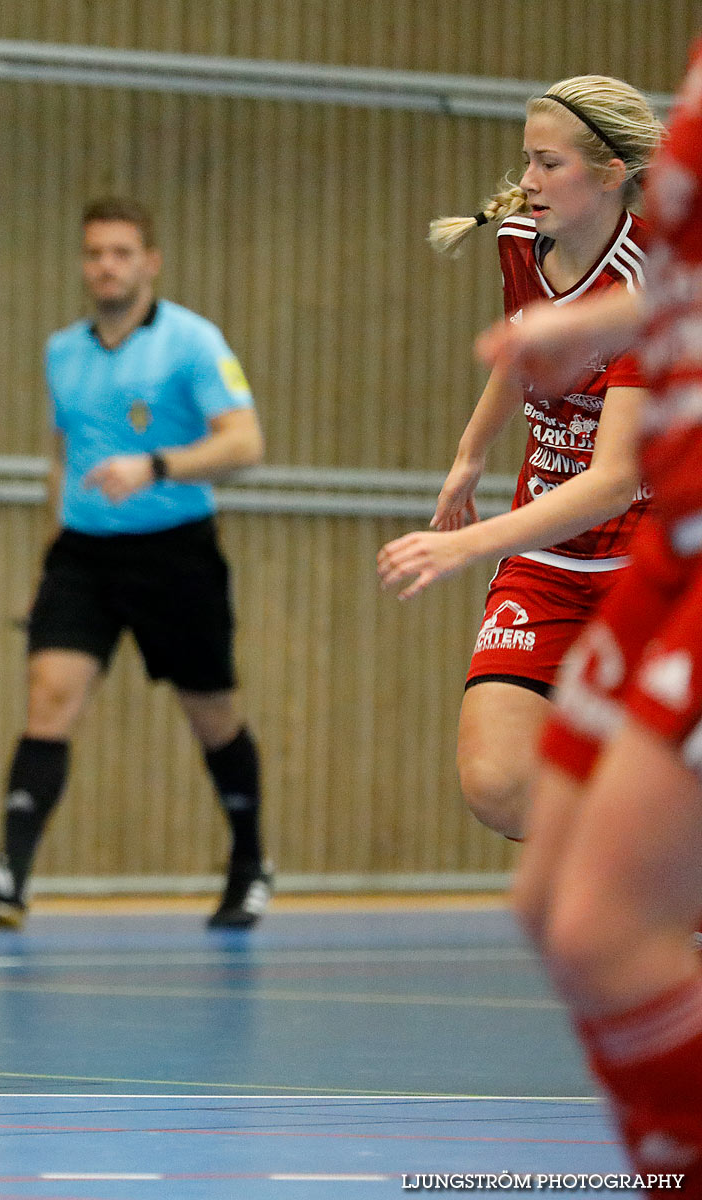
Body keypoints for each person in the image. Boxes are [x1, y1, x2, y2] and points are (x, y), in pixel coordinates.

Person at [0, 198, 271, 931]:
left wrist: (157, 464)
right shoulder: (65, 350)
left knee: (212, 714)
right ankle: (12, 879)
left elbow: (245, 443)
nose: (106, 266)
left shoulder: (192, 342)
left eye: (122, 253)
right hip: (83, 556)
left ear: (149, 262)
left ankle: (249, 863)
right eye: (94, 253)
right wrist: (45, 559)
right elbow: (62, 459)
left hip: (175, 550)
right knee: (49, 693)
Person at [492, 37, 702, 1184]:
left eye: (549, 162)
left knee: (604, 918)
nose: (529, 181)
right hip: (671, 546)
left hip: (662, 541)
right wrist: (580, 334)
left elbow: (616, 465)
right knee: (553, 899)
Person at [378, 76, 662, 842]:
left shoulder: (647, 284)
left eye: (549, 164)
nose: (528, 182)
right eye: (526, 161)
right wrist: (471, 454)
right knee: (498, 782)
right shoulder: (519, 246)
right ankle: (646, 876)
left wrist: (466, 544)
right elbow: (528, 350)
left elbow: (612, 482)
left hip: (650, 565)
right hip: (549, 561)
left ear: (610, 174)